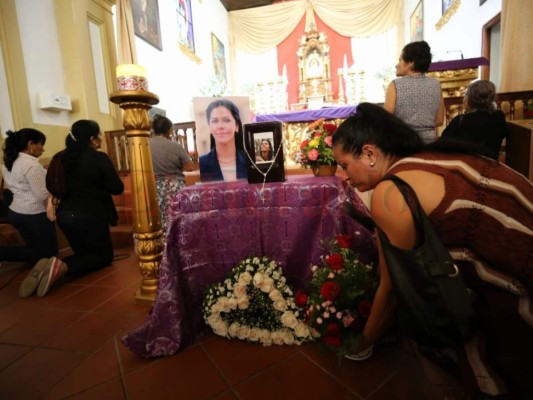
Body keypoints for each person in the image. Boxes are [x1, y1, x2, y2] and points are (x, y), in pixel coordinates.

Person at [332, 102, 532, 398]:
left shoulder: (390, 193)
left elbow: (392, 289)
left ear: (370, 154)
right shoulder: (428, 155)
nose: (341, 175)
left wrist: (362, 344)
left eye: (345, 164)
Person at [21, 120, 124, 298]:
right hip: (92, 215)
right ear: (92, 139)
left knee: (84, 254)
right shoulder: (99, 157)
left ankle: (49, 266)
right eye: (98, 135)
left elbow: (52, 187)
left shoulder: (59, 157)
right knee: (103, 258)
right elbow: (117, 188)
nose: (100, 139)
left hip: (65, 216)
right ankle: (61, 266)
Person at [1, 129, 58, 279]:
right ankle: (2, 253)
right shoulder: (30, 165)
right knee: (49, 253)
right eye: (41, 144)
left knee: (38, 250)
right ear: (30, 144)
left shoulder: (9, 161)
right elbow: (43, 195)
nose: (43, 149)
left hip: (16, 212)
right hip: (33, 215)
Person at [384, 40, 444, 144]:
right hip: (429, 144)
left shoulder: (395, 85)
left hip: (404, 143)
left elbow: (385, 119)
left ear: (411, 63)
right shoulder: (436, 85)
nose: (397, 65)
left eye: (400, 60)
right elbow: (439, 120)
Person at [441, 80, 508, 160]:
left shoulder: (461, 120)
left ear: (470, 99)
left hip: (468, 166)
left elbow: (443, 143)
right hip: (491, 164)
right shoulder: (499, 116)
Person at [150, 114, 194, 235]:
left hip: (155, 187)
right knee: (178, 218)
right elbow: (190, 167)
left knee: (161, 218)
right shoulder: (175, 146)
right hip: (174, 186)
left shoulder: (145, 145)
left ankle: (164, 245)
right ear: (169, 130)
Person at [199, 98, 247, 182]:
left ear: (237, 126)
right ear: (209, 127)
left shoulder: (249, 161)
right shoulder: (202, 163)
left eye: (226, 120)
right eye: (215, 121)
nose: (220, 126)